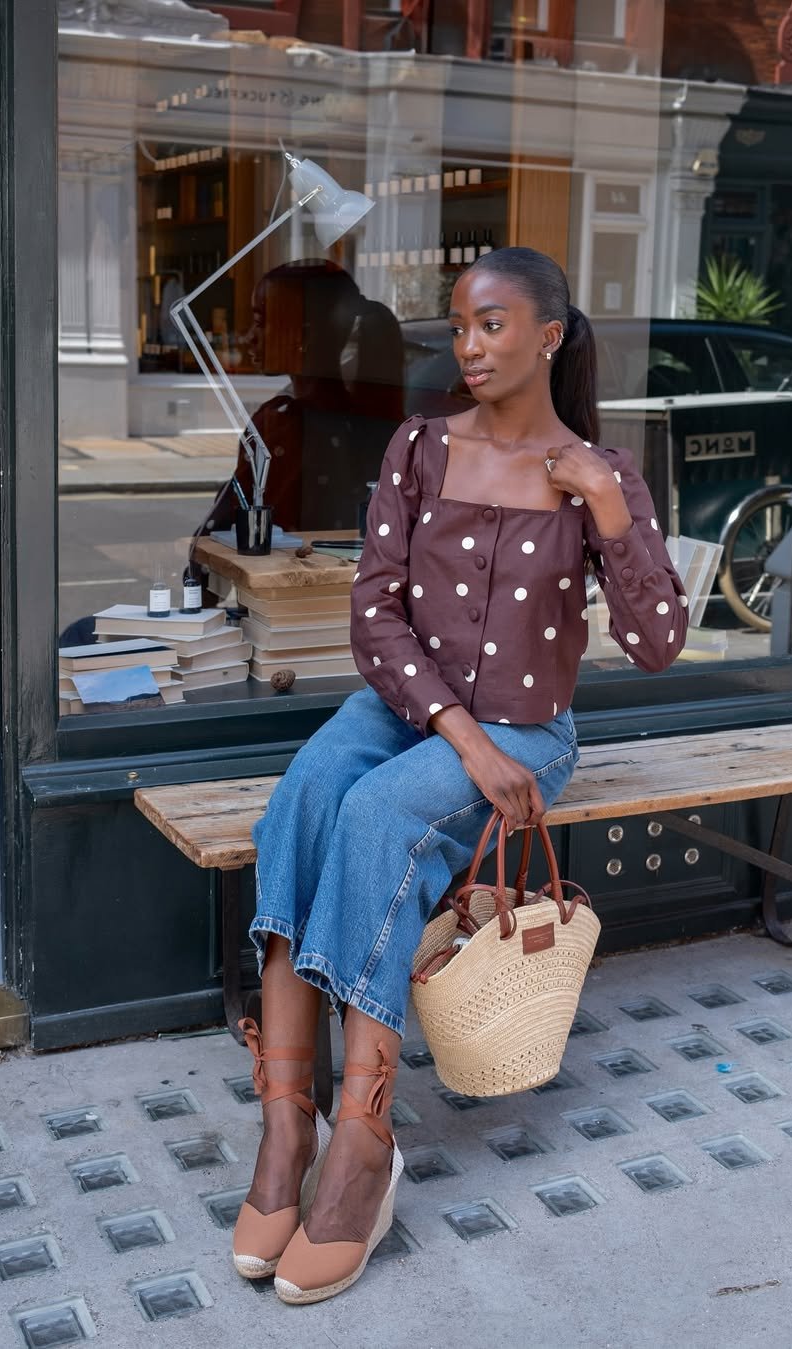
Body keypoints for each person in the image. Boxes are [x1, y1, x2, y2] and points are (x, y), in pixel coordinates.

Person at [230, 247, 689, 1304]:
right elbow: (373, 610)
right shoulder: (420, 448)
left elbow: (659, 641)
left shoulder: (600, 472)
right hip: (410, 709)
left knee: (380, 811)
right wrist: (455, 732)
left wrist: (610, 518)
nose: (469, 346)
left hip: (532, 730)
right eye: (461, 326)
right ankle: (283, 1118)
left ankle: (361, 1141)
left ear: (548, 335)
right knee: (307, 795)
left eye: (492, 324)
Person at [193, 259, 404, 541]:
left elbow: (241, 534)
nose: (249, 337)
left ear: (301, 334)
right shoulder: (366, 418)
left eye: (260, 322)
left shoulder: (286, 423)